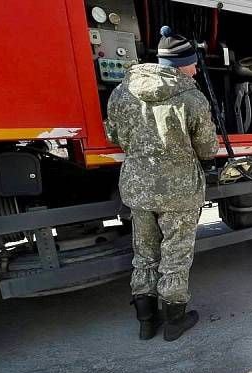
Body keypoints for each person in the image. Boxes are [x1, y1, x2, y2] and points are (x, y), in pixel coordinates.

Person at [106, 26, 219, 341]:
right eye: (193, 63)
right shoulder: (192, 98)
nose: (196, 69)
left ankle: (145, 322)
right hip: (179, 191)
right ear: (182, 64)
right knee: (176, 254)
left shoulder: (122, 90)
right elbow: (207, 149)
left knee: (144, 253)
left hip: (137, 187)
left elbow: (113, 135)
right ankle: (173, 323)